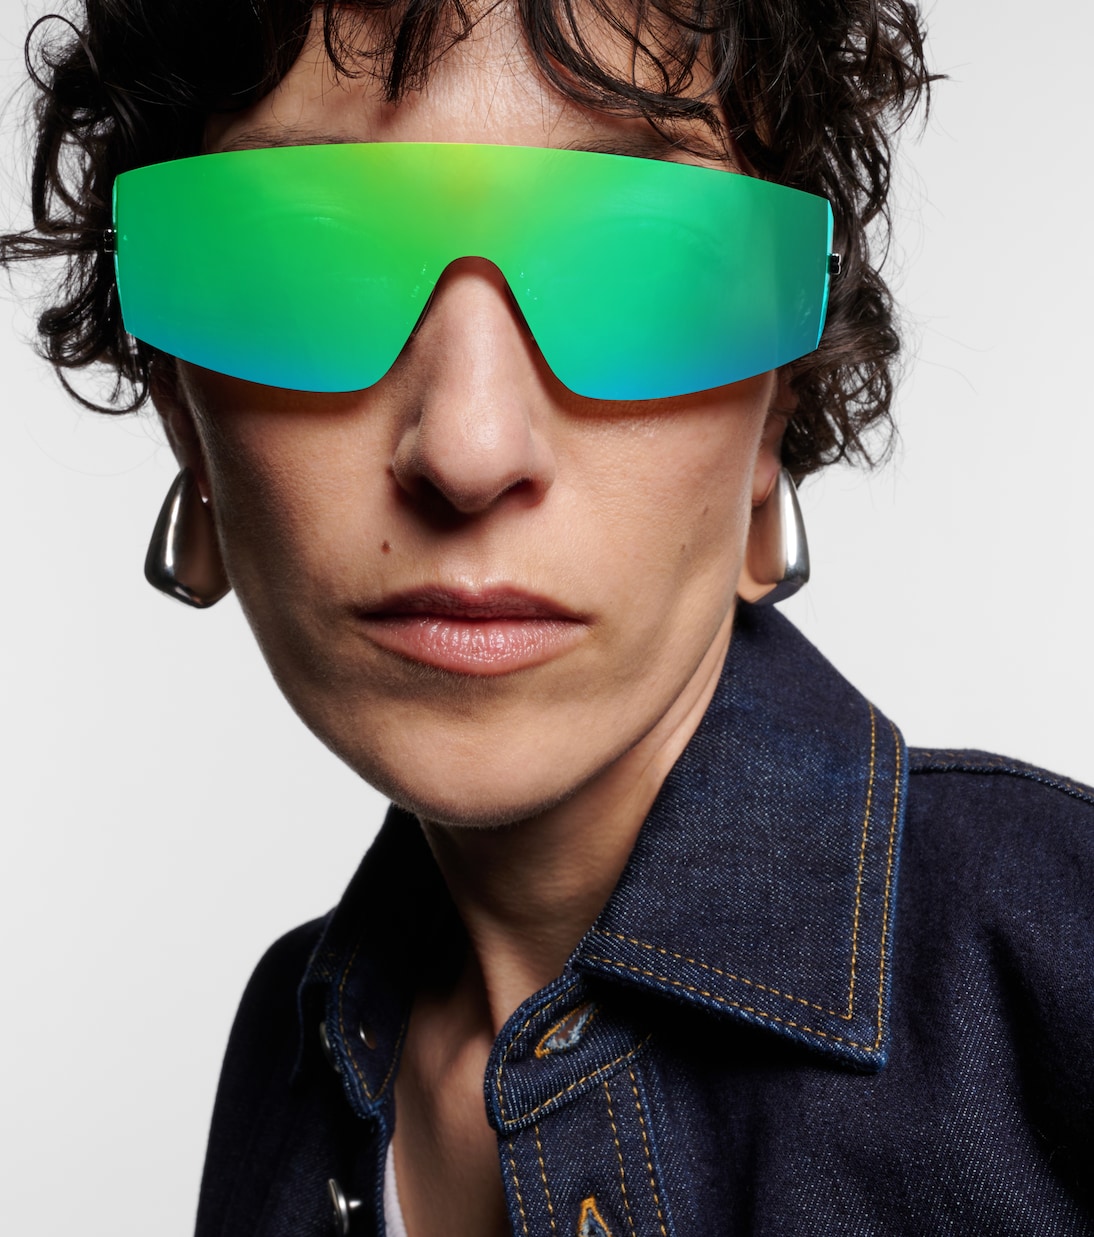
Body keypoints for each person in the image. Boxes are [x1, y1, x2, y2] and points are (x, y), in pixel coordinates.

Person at [2, 1, 1091, 1234]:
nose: (468, 450)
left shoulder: (1058, 979)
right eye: (307, 250)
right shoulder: (286, 1065)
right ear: (178, 405)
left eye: (630, 255)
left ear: (775, 399)